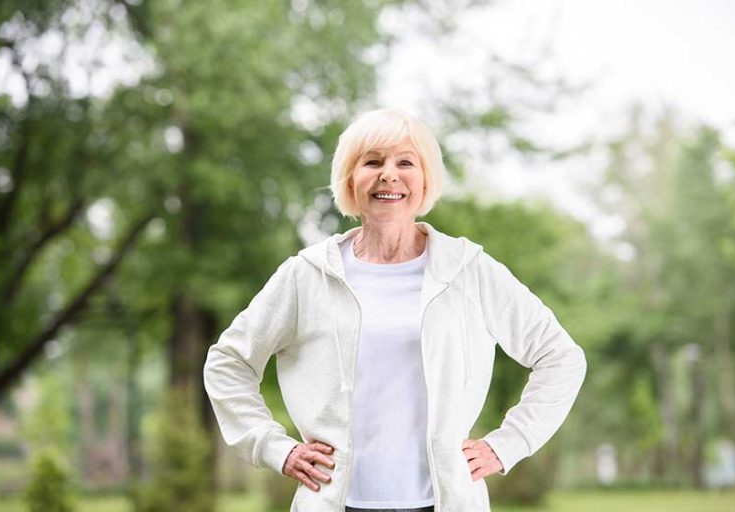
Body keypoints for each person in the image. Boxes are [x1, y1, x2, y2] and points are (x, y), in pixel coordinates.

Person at [203, 107, 587, 512]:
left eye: (406, 162)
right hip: (334, 503)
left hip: (447, 502)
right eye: (372, 162)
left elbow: (560, 358)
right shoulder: (307, 275)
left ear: (425, 180)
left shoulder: (468, 269)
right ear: (350, 178)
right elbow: (228, 362)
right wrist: (274, 447)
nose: (389, 174)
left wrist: (507, 444)